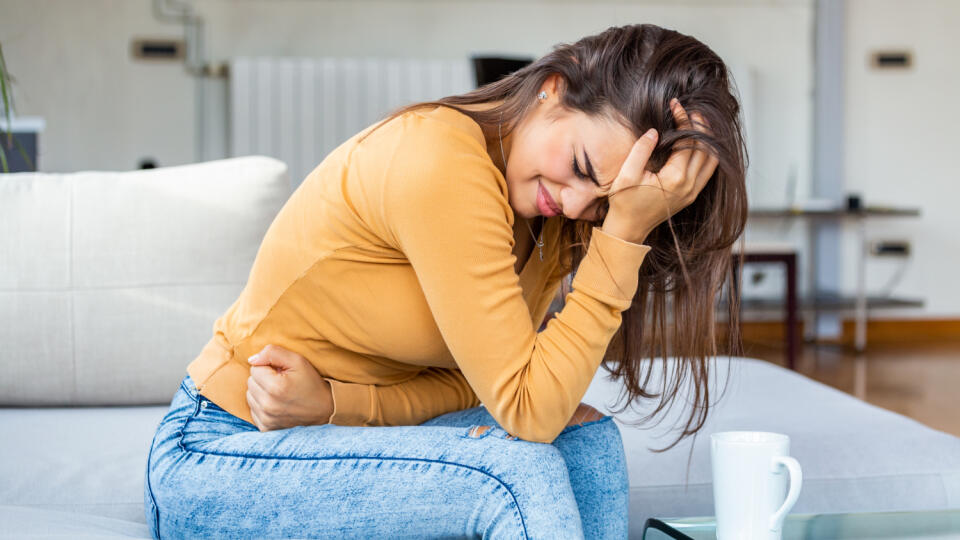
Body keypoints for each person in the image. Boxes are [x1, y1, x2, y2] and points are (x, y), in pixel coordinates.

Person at [144, 22, 747, 539]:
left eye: (607, 204)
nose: (575, 203)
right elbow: (525, 409)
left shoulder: (549, 213)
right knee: (516, 475)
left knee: (588, 446)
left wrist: (338, 406)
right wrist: (624, 236)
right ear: (552, 89)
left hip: (316, 430)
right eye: (582, 168)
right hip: (224, 447)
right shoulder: (441, 160)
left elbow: (479, 387)